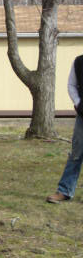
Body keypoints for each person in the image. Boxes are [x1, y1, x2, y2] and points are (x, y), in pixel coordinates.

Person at [46, 55, 83, 203]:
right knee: (76, 154)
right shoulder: (79, 62)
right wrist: (78, 103)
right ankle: (64, 191)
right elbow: (71, 85)